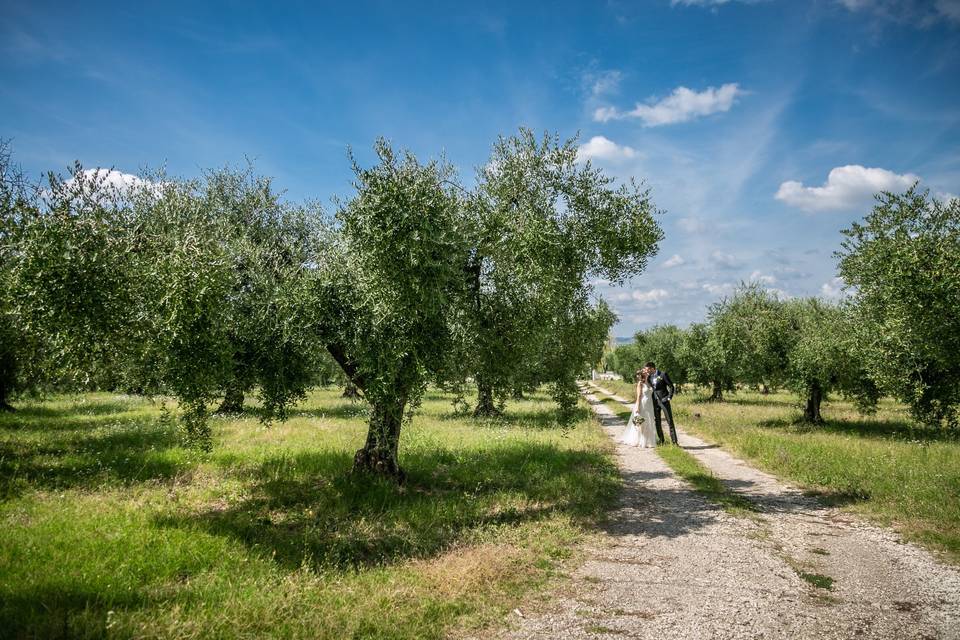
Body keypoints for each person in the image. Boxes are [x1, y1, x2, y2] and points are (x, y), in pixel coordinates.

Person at [620, 368, 657, 447]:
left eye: (647, 371)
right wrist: (637, 407)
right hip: (642, 404)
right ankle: (637, 440)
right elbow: (639, 396)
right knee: (639, 423)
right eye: (645, 372)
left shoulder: (649, 383)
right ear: (643, 374)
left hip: (649, 405)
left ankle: (648, 441)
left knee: (648, 422)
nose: (647, 372)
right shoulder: (640, 383)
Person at [646, 361, 678, 445]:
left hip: (664, 400)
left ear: (652, 368)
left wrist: (669, 397)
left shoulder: (663, 374)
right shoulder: (649, 377)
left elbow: (671, 386)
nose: (647, 371)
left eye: (648, 369)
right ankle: (661, 440)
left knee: (669, 421)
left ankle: (674, 442)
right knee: (657, 421)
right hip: (655, 402)